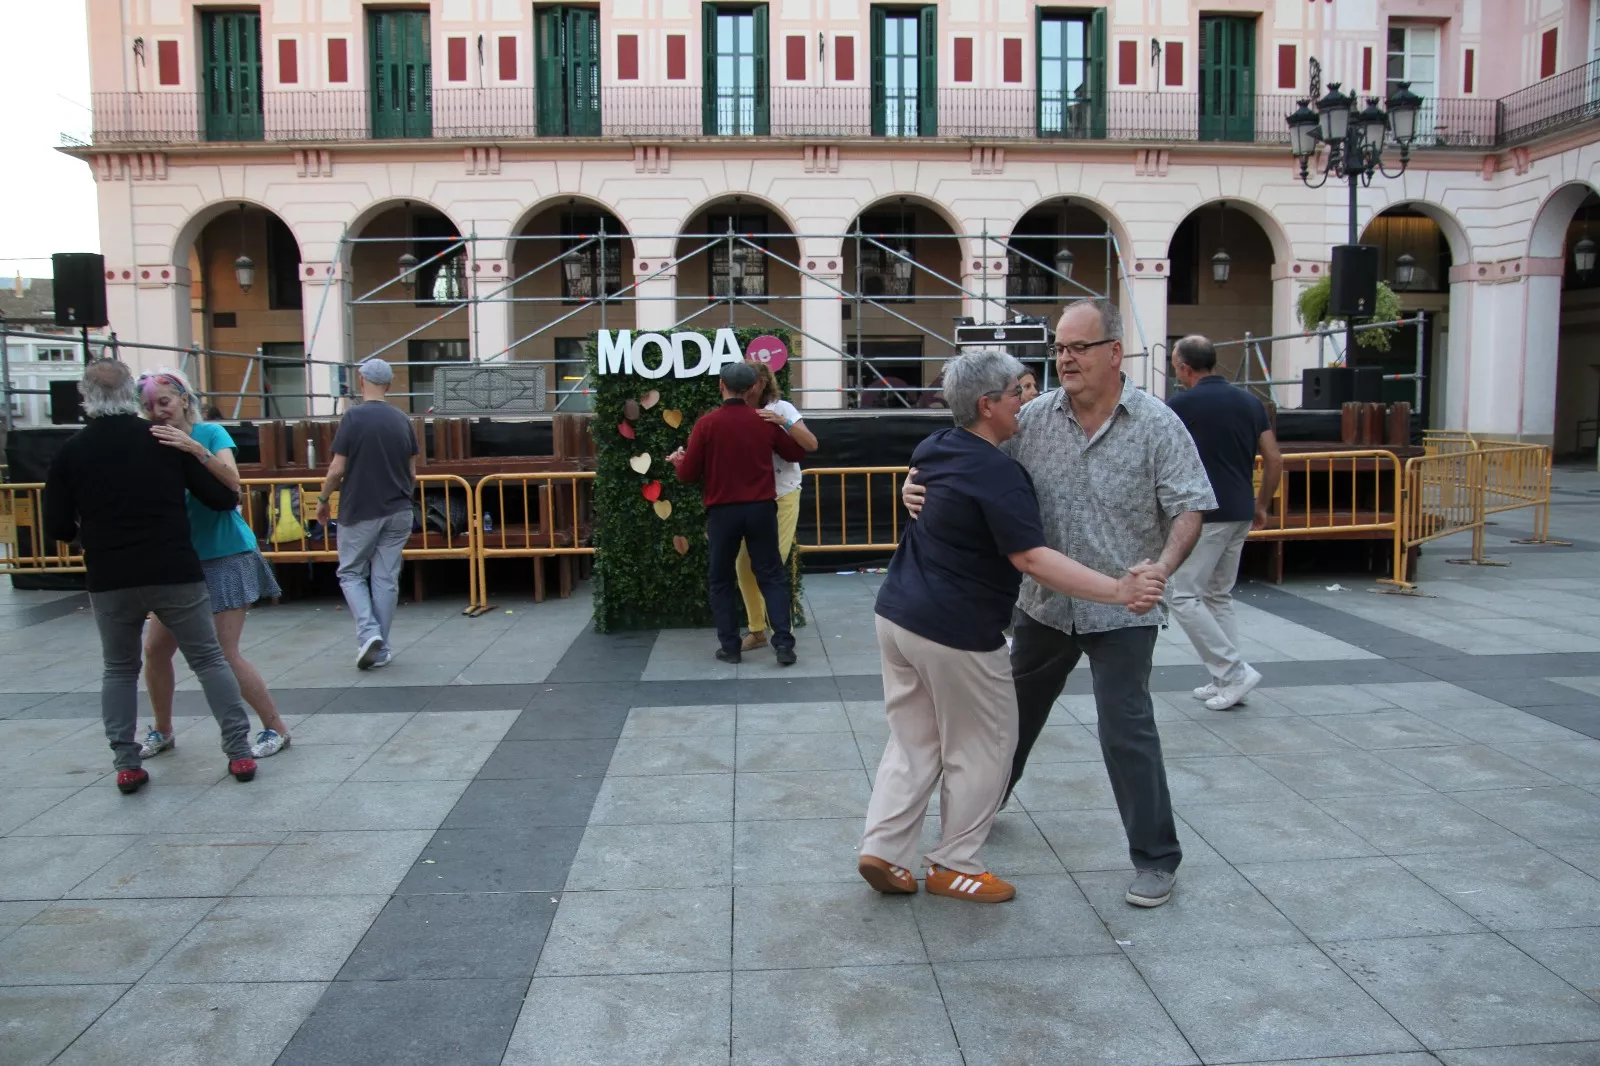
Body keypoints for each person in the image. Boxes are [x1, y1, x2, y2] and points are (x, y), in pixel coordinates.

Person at [903, 299, 1215, 908]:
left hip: (1123, 610)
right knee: (1009, 724)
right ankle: (978, 818)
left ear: (1115, 352)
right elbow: (966, 460)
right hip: (1044, 605)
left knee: (1127, 729)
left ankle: (1155, 858)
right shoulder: (1033, 419)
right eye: (1060, 349)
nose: (1064, 359)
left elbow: (1190, 506)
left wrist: (1161, 568)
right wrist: (912, 481)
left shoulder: (1158, 425)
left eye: (1078, 347)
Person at [861, 352, 1165, 903]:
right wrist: (1119, 590)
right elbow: (1033, 559)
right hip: (956, 631)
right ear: (987, 405)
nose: (1025, 398)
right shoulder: (1000, 474)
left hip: (897, 616)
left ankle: (883, 849)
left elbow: (923, 482)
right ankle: (956, 864)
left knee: (913, 742)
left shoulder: (935, 447)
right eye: (1015, 392)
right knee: (984, 747)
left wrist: (908, 486)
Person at [43, 360, 259, 793]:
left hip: (110, 575)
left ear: (86, 399)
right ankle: (238, 752)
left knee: (119, 669)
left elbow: (58, 527)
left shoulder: (72, 451)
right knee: (208, 660)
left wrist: (89, 532)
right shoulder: (164, 439)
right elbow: (220, 497)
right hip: (174, 569)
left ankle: (127, 763)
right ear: (131, 396)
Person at [135, 368, 292, 761]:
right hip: (179, 562)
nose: (158, 412)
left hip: (224, 555)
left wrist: (193, 448)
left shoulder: (210, 435)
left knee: (225, 652)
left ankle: (276, 727)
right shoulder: (151, 443)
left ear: (184, 399)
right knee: (155, 650)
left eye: (165, 402)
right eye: (149, 407)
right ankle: (163, 729)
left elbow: (233, 481)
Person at [1167, 336, 1284, 711]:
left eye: (1174, 365)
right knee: (1217, 594)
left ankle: (1232, 673)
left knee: (1182, 594)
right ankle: (1225, 678)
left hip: (1205, 513)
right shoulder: (1250, 402)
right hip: (1241, 509)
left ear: (1184, 367)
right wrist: (1262, 504)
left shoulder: (1181, 405)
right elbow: (1275, 459)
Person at [668, 362, 807, 666]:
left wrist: (679, 461)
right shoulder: (764, 421)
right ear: (752, 388)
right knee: (771, 575)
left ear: (721, 385)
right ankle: (783, 644)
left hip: (723, 512)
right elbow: (796, 453)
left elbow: (689, 474)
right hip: (761, 509)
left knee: (720, 578)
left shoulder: (707, 424)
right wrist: (781, 423)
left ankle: (730, 647)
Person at [316, 358, 419, 670]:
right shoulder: (402, 419)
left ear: (361, 381)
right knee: (385, 577)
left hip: (361, 507)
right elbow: (412, 471)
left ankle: (369, 633)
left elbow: (337, 468)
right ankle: (382, 647)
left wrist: (323, 499)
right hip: (399, 508)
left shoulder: (353, 417)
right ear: (388, 384)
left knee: (350, 572)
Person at [735, 361, 818, 652]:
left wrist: (781, 422)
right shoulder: (736, 411)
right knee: (743, 565)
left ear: (759, 384)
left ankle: (783, 635)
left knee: (768, 564)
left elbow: (811, 443)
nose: (745, 386)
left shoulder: (782, 408)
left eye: (749, 380)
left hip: (782, 495)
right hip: (752, 499)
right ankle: (757, 630)